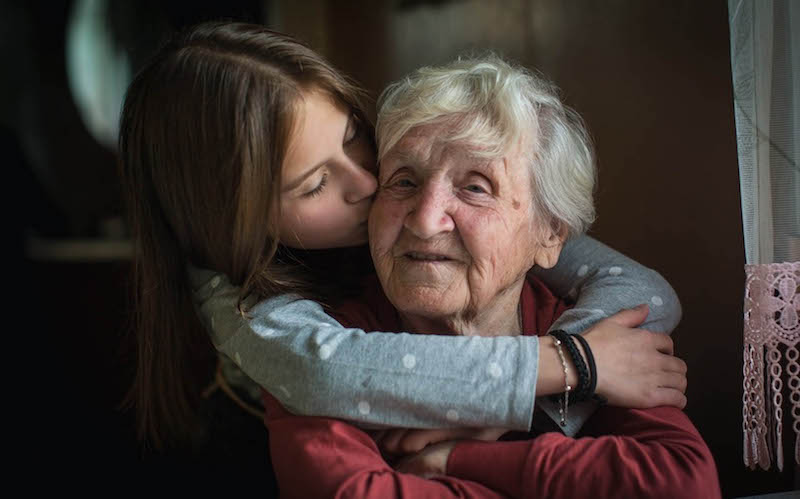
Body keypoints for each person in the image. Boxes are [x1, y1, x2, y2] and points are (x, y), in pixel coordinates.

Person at [118, 21, 685, 456]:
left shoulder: (453, 218)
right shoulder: (242, 303)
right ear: (236, 223)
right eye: (316, 183)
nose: (369, 182)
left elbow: (645, 293)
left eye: (353, 138)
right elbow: (326, 372)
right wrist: (573, 364)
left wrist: (538, 409)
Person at [262, 54, 720, 498]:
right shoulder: (326, 348)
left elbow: (683, 484)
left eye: (475, 187)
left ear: (549, 234)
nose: (425, 220)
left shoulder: (593, 333)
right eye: (403, 180)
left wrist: (456, 458)